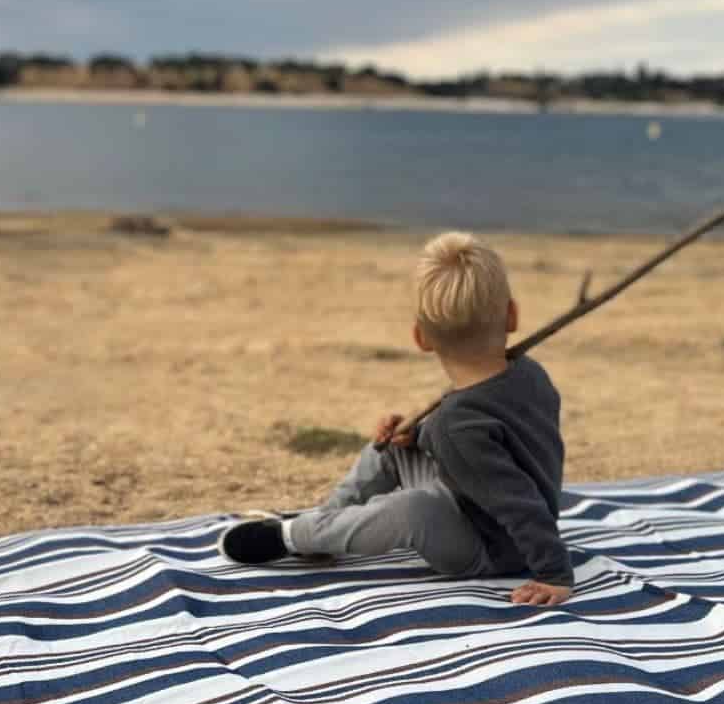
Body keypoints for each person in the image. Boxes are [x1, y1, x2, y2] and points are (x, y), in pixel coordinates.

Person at [219, 232, 573, 605]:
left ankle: (294, 536)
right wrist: (418, 436)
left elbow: (518, 501)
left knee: (412, 509)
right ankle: (327, 526)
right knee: (392, 445)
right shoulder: (529, 372)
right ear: (513, 316)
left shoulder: (454, 426)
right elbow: (496, 443)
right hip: (478, 505)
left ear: (421, 338)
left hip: (494, 549)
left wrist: (553, 573)